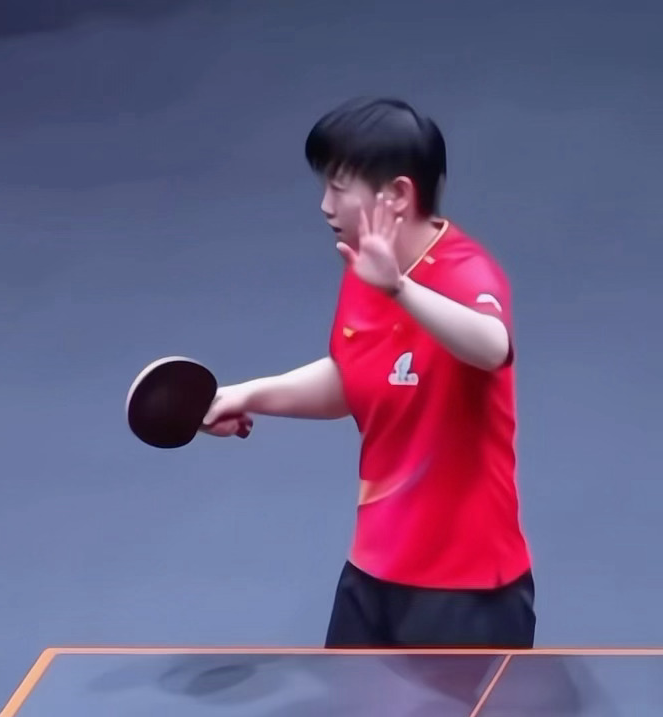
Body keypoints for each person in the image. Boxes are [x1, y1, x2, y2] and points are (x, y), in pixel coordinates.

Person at [201, 97, 536, 649]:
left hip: (468, 590)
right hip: (372, 574)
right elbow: (354, 379)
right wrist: (246, 394)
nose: (324, 205)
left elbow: (492, 347)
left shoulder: (466, 270)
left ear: (397, 194)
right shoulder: (362, 270)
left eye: (338, 187)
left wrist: (399, 290)